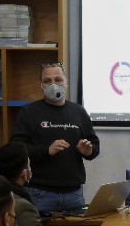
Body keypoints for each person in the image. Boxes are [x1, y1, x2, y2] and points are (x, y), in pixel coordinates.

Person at [9, 62, 100, 215]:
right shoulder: (28, 112)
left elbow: (94, 145)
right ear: (41, 85)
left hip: (74, 194)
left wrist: (89, 151)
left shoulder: (79, 112)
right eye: (47, 81)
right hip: (39, 193)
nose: (53, 85)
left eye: (58, 80)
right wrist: (46, 151)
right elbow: (16, 148)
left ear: (66, 82)